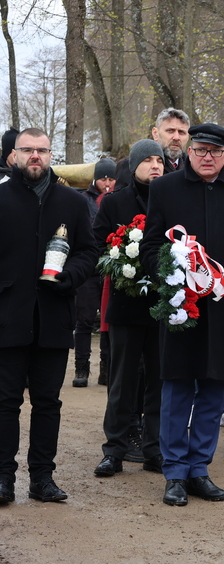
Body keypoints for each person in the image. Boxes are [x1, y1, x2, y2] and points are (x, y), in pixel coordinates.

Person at [140, 123, 224, 506]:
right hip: (183, 310)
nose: (208, 156)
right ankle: (175, 473)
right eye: (201, 150)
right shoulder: (165, 189)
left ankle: (199, 469)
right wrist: (173, 281)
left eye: (216, 151)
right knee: (178, 389)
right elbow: (151, 247)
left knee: (215, 391)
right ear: (190, 152)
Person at [0, 128, 99, 504]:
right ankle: (3, 478)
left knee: (47, 403)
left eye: (42, 150)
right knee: (5, 402)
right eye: (28, 150)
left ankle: (42, 478)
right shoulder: (1, 197)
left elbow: (89, 251)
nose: (35, 156)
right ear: (15, 155)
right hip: (8, 316)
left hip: (55, 317)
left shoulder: (72, 202)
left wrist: (69, 277)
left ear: (51, 153)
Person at [92, 139, 167, 478]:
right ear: (134, 165)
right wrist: (122, 261)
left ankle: (154, 449)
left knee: (159, 379)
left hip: (164, 306)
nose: (156, 165)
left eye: (160, 160)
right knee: (122, 381)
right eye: (148, 160)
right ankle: (115, 451)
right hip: (125, 305)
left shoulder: (172, 198)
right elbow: (97, 248)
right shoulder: (113, 203)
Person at [72, 157, 117, 387]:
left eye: (111, 178)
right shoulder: (83, 200)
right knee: (84, 320)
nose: (107, 183)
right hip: (89, 270)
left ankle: (106, 368)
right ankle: (81, 368)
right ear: (95, 180)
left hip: (111, 270)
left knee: (108, 322)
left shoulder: (118, 200)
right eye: (102, 179)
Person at [151, 108, 191, 172]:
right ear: (155, 134)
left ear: (188, 137)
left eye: (181, 132)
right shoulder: (142, 168)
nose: (176, 137)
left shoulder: (194, 168)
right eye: (170, 131)